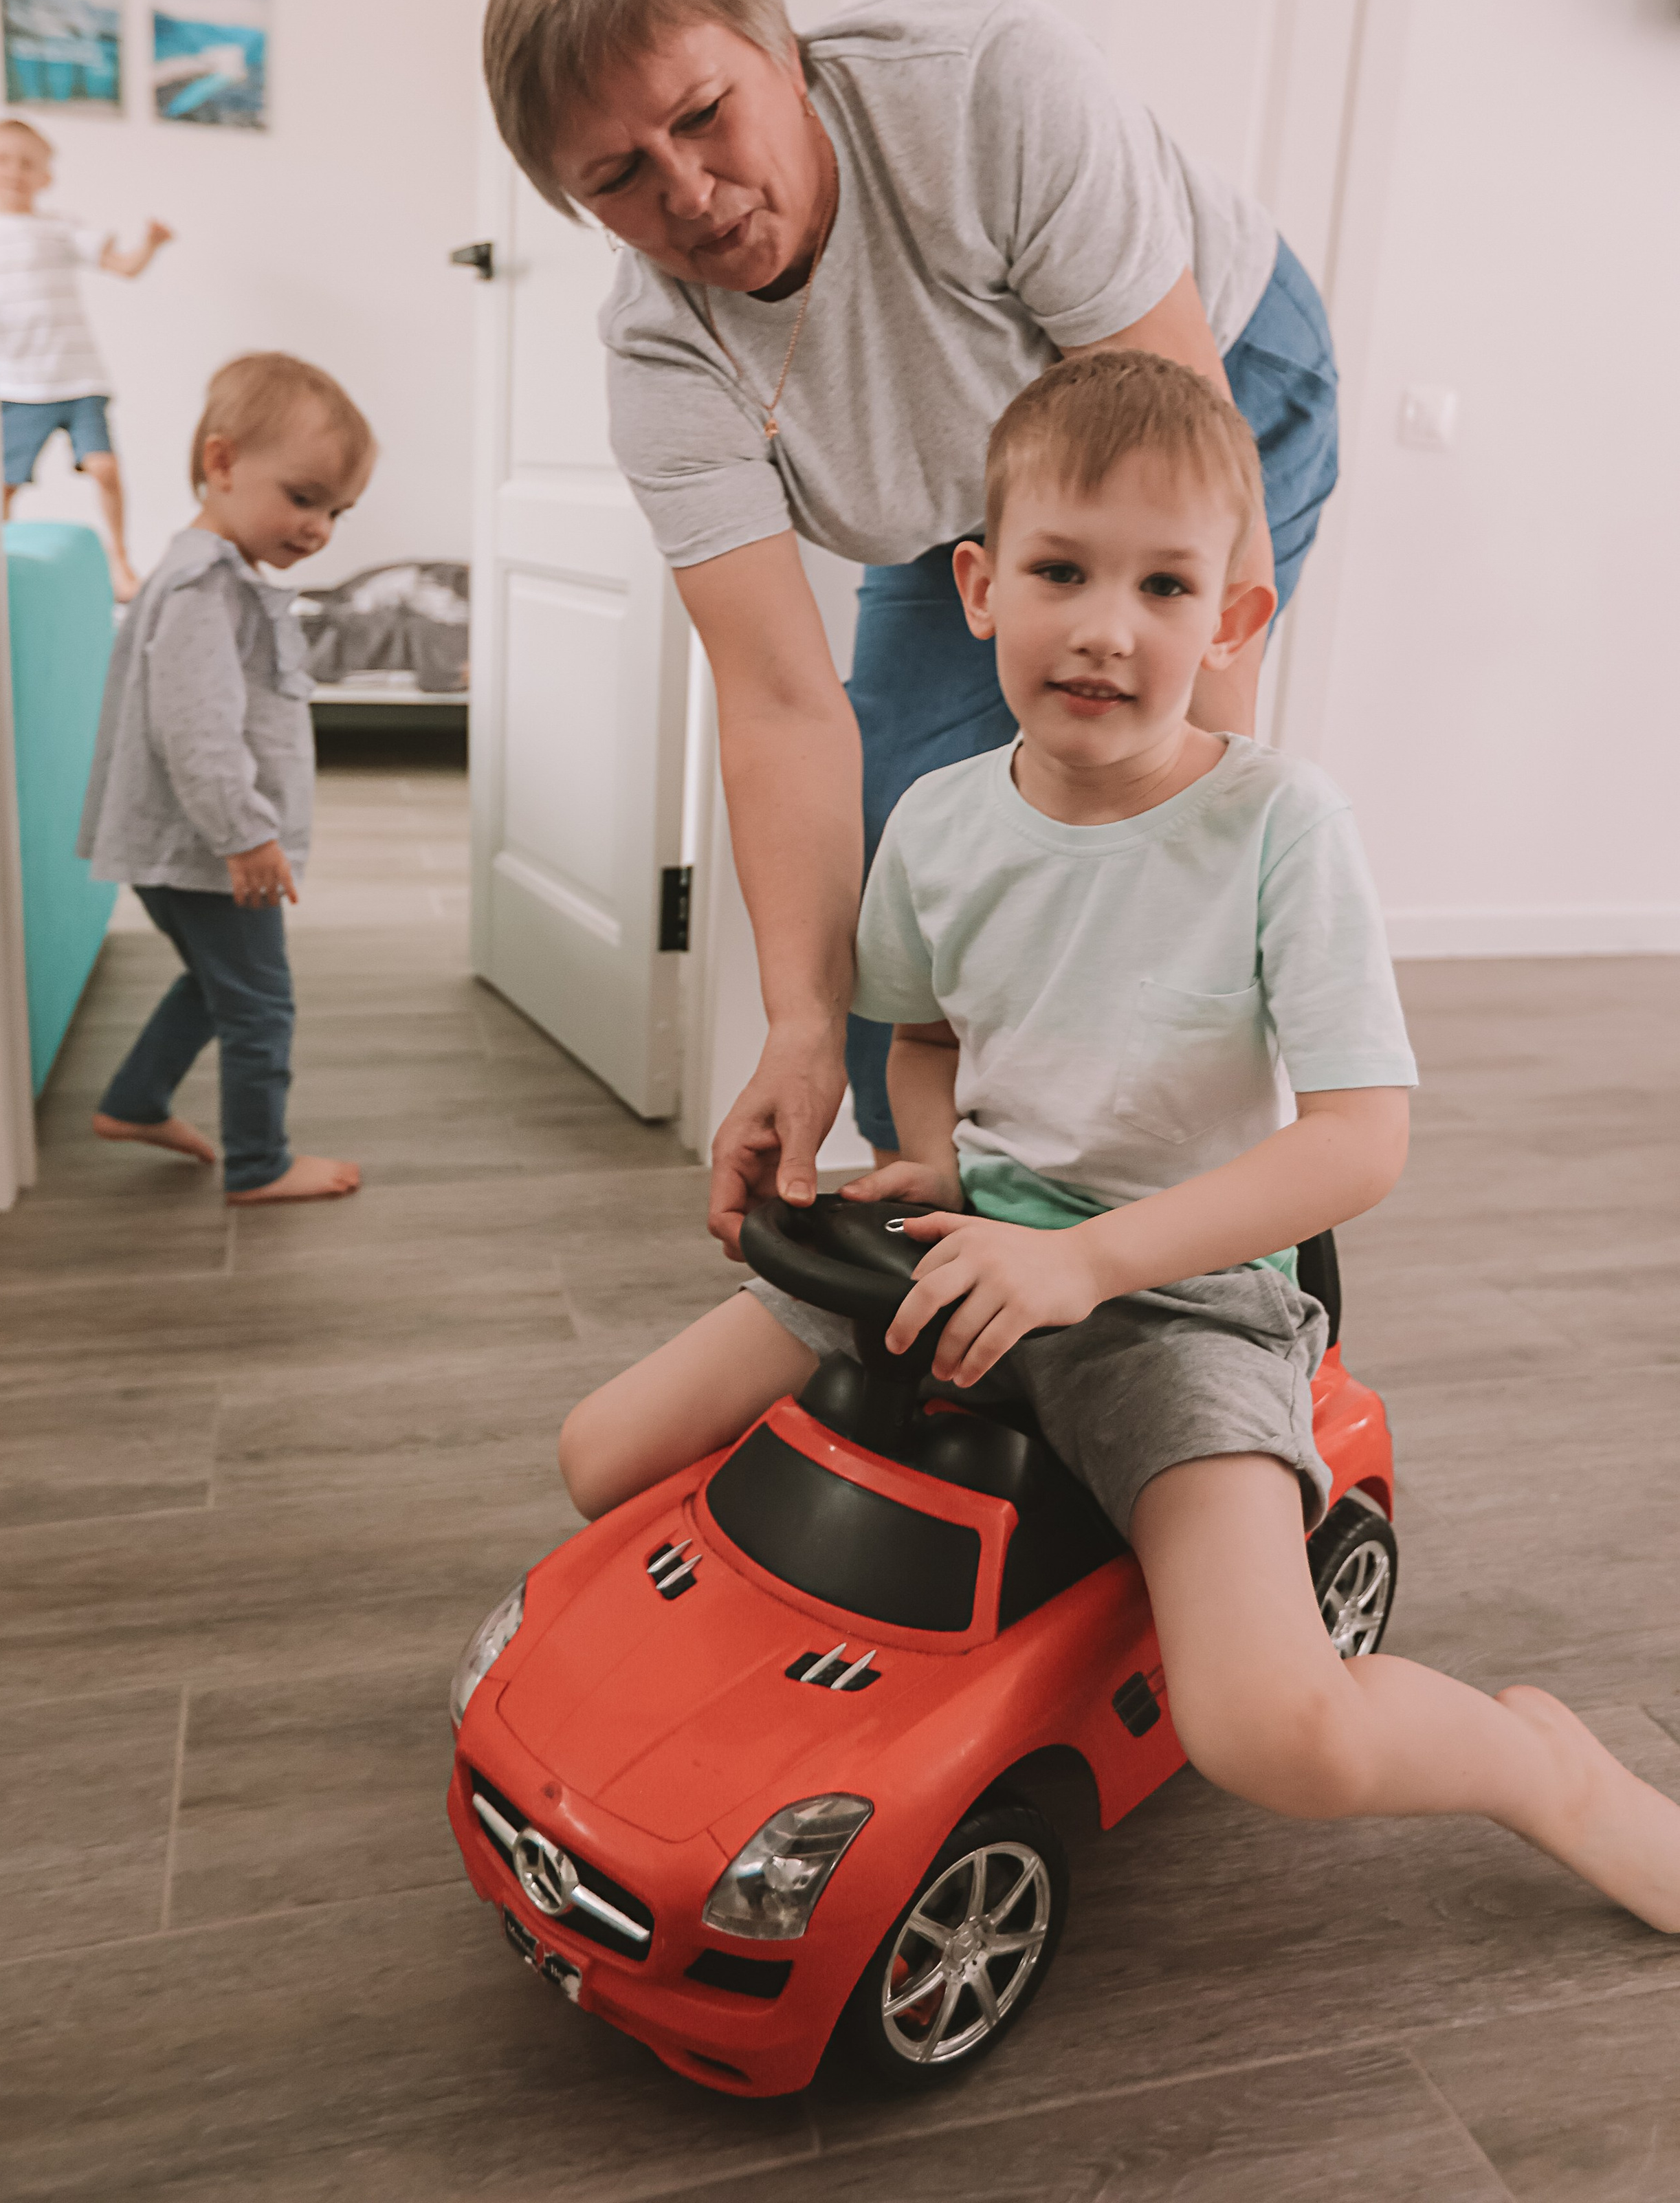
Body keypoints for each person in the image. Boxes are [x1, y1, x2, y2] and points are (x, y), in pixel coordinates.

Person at [558, 351, 1680, 1935]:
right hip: (974, 1246)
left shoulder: (1280, 828)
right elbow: (929, 1037)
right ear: (977, 586)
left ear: (1229, 621)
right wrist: (945, 1163)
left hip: (1178, 1294)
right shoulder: (937, 820)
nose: (1102, 623)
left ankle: (1535, 1767)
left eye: (1162, 585)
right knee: (600, 1455)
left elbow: (1359, 1142)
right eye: (1061, 570)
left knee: (1266, 1731)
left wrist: (1084, 1254)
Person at [481, 0, 1341, 1233]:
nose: (689, 191)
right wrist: (797, 1030)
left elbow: (1172, 557)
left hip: (1207, 379)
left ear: (780, 47)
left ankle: (1156, 1207)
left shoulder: (985, 87)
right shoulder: (664, 364)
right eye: (618, 180)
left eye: (702, 116)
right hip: (969, 474)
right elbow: (779, 705)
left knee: (1110, 762)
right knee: (906, 825)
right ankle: (942, 1193)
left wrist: (1197, 872)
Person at [78, 352, 374, 1205]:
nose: (318, 528)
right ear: (222, 462)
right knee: (261, 1005)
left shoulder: (209, 573)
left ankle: (135, 1101)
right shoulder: (203, 587)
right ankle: (259, 1163)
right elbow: (197, 733)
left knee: (218, 985)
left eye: (336, 513)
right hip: (207, 846)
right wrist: (245, 834)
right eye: (303, 497)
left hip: (184, 845)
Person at [0, 116, 173, 601]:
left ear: (45, 177)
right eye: (3, 160)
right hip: (18, 385)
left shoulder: (60, 228)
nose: (15, 171)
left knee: (106, 469)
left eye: (28, 164)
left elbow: (125, 267)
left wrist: (149, 244)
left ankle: (120, 562)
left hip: (78, 378)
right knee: (3, 487)